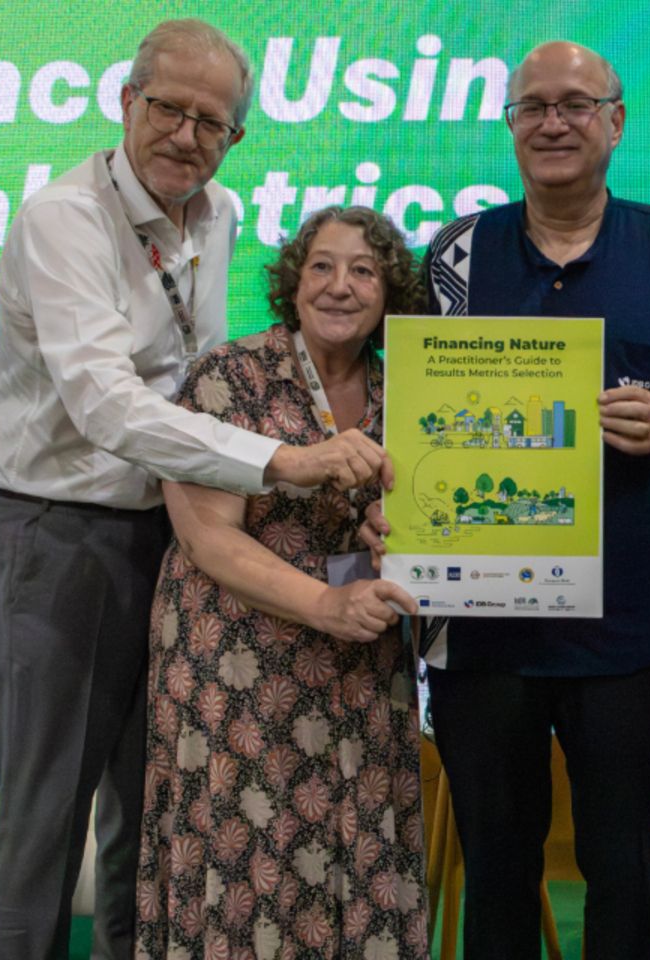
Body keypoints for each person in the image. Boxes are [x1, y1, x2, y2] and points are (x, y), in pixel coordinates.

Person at [0, 19, 387, 960]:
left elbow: (188, 377)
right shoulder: (62, 220)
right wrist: (283, 460)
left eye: (215, 123)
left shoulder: (219, 215)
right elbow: (107, 405)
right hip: (54, 537)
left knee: (148, 809)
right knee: (44, 822)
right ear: (126, 99)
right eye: (169, 109)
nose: (188, 136)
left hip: (163, 545)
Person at [364, 41, 650, 958]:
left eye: (575, 104)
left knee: (622, 864)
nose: (553, 122)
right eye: (532, 106)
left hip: (624, 627)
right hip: (477, 627)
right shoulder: (452, 255)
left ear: (615, 121)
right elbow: (404, 411)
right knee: (496, 865)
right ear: (509, 127)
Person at [134, 205, 425, 959]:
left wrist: (401, 541)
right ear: (292, 284)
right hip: (240, 678)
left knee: (362, 864)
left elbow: (421, 520)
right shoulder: (229, 376)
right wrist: (326, 603)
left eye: (363, 270)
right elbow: (206, 537)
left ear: (390, 290)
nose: (340, 286)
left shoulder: (413, 393)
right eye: (322, 266)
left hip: (362, 672)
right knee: (245, 870)